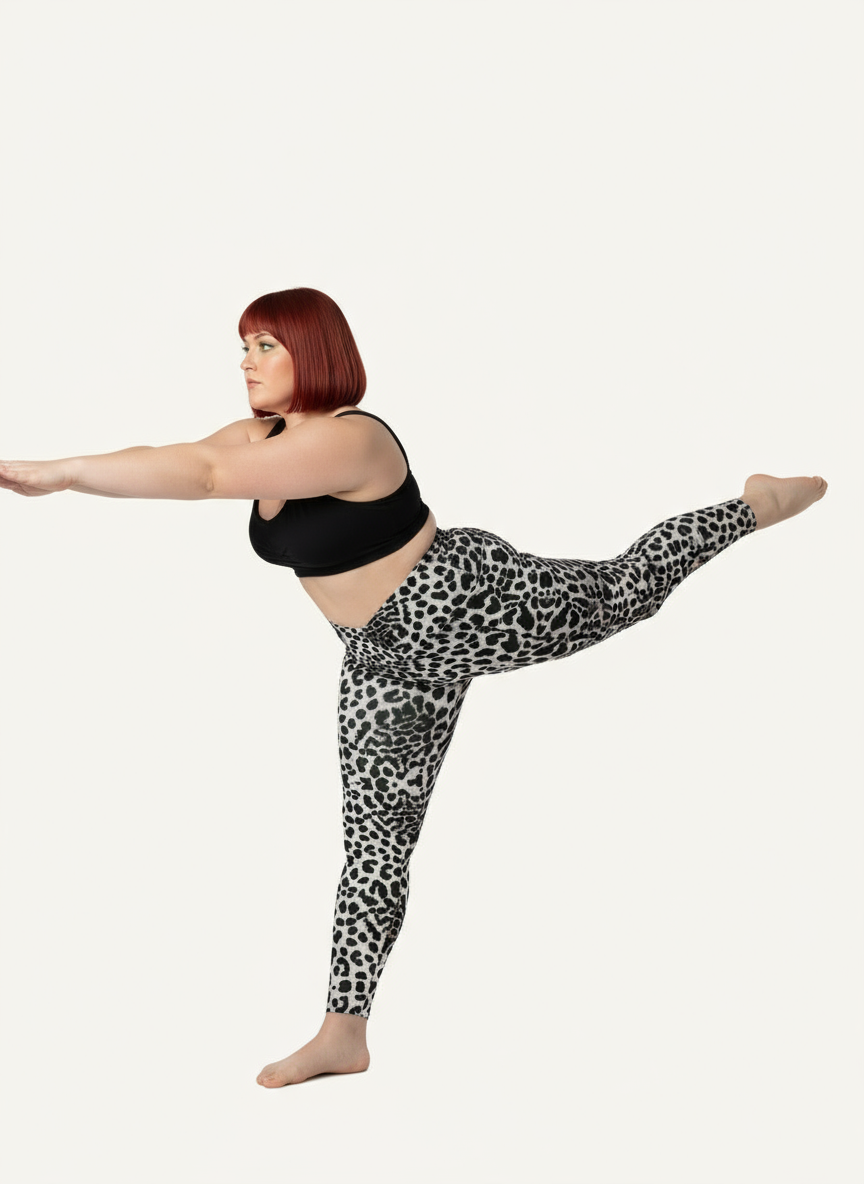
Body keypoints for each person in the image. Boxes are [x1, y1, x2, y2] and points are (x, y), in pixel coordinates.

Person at [0, 287, 828, 1089]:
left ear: (316, 352)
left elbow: (211, 478)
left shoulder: (354, 439)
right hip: (382, 659)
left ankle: (750, 508)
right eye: (243, 343)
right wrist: (66, 470)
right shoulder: (263, 435)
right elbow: (182, 458)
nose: (244, 361)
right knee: (375, 847)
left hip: (466, 597)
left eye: (265, 344)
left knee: (623, 593)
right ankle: (342, 1035)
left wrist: (62, 473)